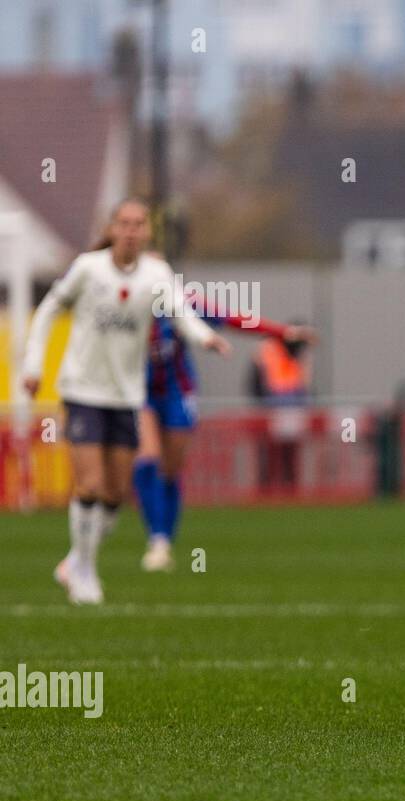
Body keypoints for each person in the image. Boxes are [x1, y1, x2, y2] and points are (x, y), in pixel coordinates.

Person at [21, 198, 231, 604]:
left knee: (116, 492)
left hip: (126, 396)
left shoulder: (156, 274)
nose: (132, 230)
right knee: (91, 483)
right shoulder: (88, 268)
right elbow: (49, 309)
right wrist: (33, 365)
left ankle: (75, 560)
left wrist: (205, 337)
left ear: (147, 232)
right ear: (113, 228)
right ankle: (84, 573)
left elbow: (181, 312)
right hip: (82, 391)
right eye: (125, 223)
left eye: (139, 224)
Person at [135, 292, 316, 571]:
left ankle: (165, 540)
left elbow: (233, 319)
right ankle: (156, 538)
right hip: (136, 390)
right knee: (147, 457)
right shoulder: (121, 300)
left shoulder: (181, 302)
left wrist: (283, 332)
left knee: (171, 468)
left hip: (177, 391)